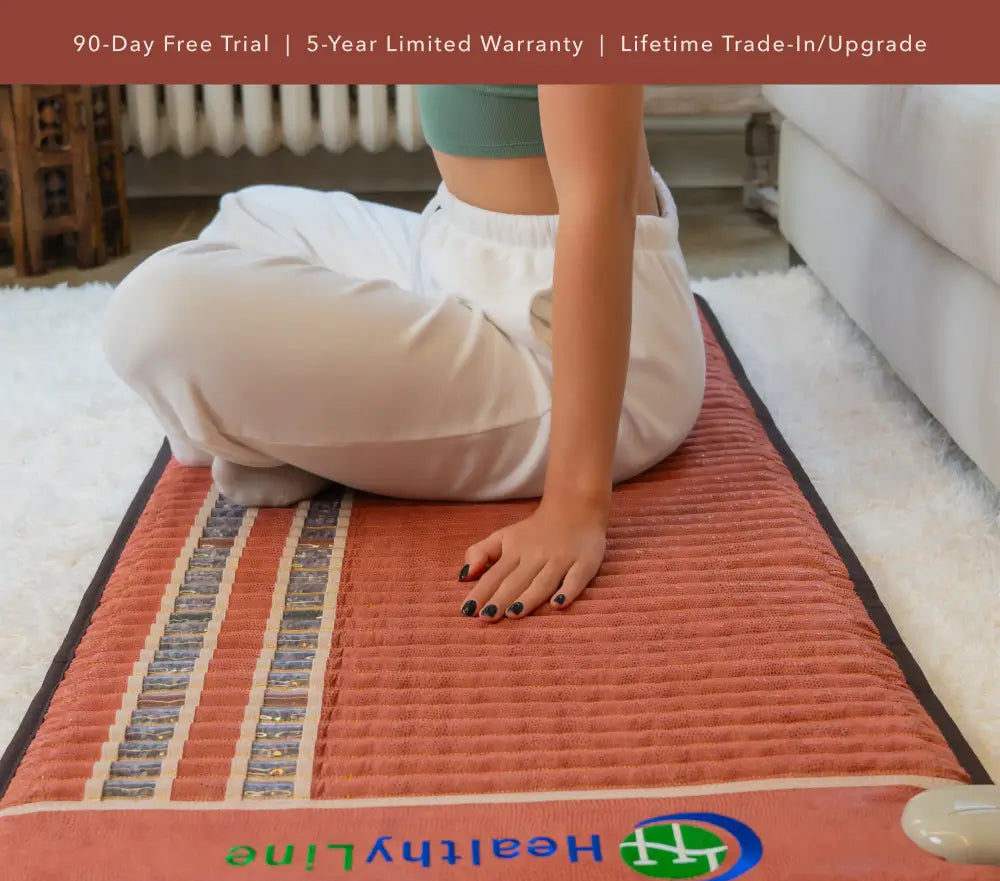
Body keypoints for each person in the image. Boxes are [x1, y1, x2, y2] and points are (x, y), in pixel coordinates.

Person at [101, 84, 706, 623]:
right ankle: (307, 436)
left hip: (565, 346)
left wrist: (574, 508)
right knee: (252, 215)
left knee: (156, 313)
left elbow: (597, 211)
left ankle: (295, 437)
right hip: (456, 249)